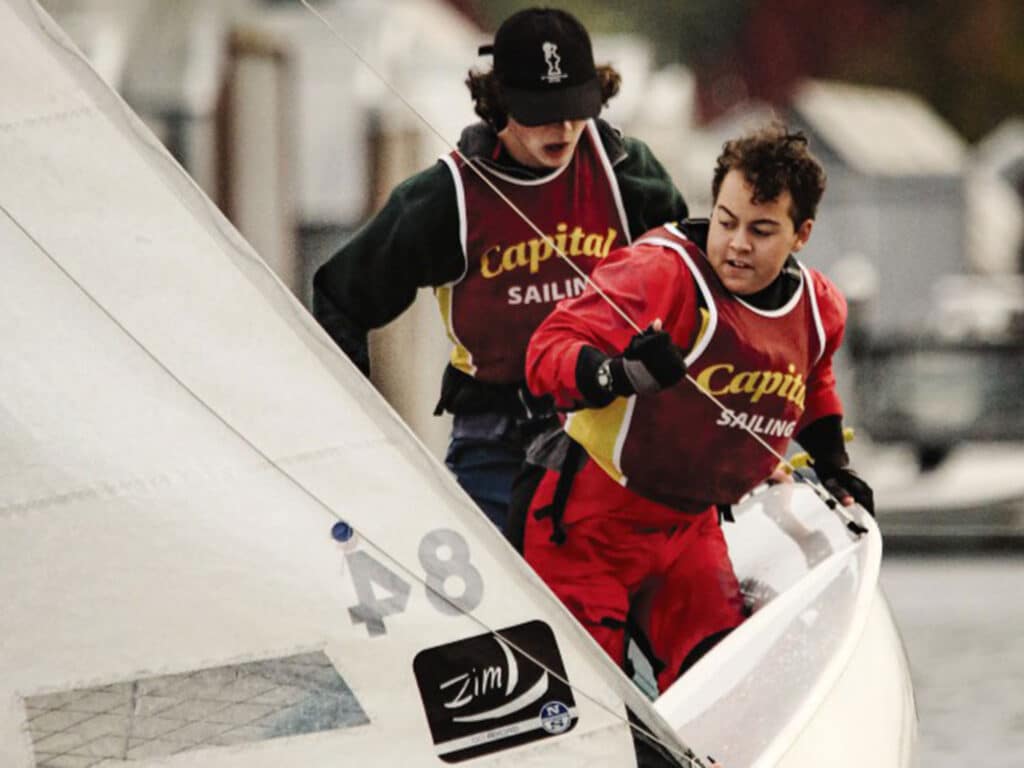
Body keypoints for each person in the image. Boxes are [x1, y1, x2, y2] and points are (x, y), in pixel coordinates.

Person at [518, 123, 874, 693]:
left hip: (691, 530)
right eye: (727, 222)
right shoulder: (660, 272)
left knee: (723, 686)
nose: (737, 244)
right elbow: (545, 351)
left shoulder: (820, 308)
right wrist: (618, 372)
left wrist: (833, 463)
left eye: (761, 230)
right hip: (587, 523)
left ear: (801, 234)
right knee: (592, 700)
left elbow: (811, 378)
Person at [313, 7, 687, 528]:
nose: (564, 127)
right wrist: (357, 433)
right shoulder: (448, 197)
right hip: (496, 438)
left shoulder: (625, 173)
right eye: (543, 111)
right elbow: (339, 298)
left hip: (613, 423)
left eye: (576, 108)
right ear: (501, 102)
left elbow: (696, 286)